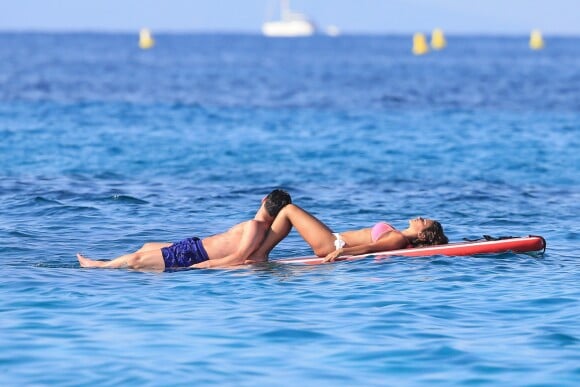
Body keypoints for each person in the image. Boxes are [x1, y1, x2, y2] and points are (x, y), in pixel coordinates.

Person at [77, 189, 292, 271]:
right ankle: (103, 265)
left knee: (136, 261)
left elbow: (238, 257)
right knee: (147, 246)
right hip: (194, 246)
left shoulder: (255, 226)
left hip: (195, 254)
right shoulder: (262, 229)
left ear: (263, 200)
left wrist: (205, 265)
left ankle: (98, 266)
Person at [249, 204, 448, 263]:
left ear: (422, 235)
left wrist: (340, 252)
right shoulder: (398, 235)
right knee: (288, 212)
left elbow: (369, 248)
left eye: (424, 221)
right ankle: (259, 251)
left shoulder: (398, 238)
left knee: (289, 210)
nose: (420, 217)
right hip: (333, 242)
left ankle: (259, 253)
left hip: (334, 245)